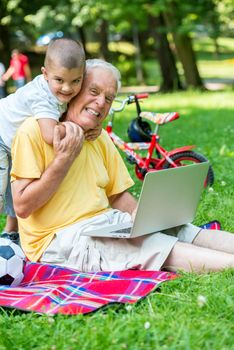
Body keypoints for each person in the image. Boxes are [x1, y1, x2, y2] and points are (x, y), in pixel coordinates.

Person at [11, 59, 234, 273]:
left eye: (109, 98)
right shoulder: (33, 131)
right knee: (151, 245)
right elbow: (22, 206)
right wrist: (64, 159)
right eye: (94, 91)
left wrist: (141, 216)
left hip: (105, 223)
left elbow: (117, 197)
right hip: (58, 239)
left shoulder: (99, 138)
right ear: (75, 89)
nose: (101, 102)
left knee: (183, 230)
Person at [0, 38, 88, 243]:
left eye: (76, 81)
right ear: (45, 74)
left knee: (20, 182)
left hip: (12, 140)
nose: (67, 88)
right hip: (1, 135)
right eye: (60, 80)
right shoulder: (42, 96)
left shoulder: (57, 89)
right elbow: (50, 135)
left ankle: (12, 232)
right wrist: (76, 129)